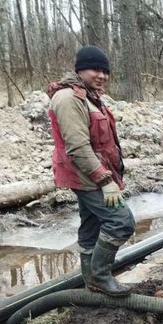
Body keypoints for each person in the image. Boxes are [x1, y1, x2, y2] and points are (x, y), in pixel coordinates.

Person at [47, 45, 135, 297]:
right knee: (121, 222)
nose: (102, 75)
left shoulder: (89, 97)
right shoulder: (68, 98)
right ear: (80, 70)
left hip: (93, 174)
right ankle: (99, 277)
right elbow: (77, 146)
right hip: (88, 177)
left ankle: (92, 283)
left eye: (105, 71)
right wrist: (105, 180)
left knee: (92, 225)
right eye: (95, 69)